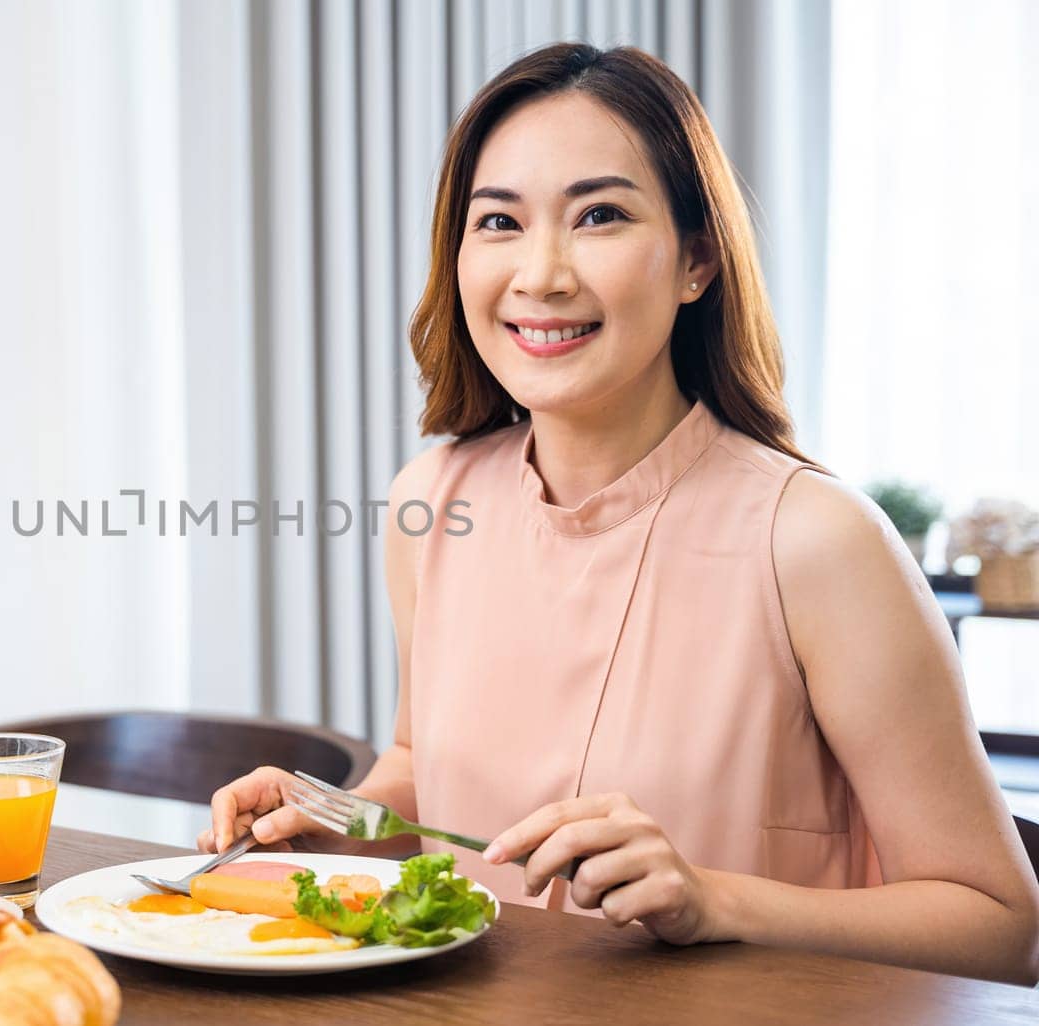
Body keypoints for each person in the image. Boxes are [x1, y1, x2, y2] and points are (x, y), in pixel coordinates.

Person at [199, 42, 1039, 985]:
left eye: (599, 216)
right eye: (500, 222)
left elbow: (1001, 927)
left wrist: (712, 900)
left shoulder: (816, 539)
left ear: (696, 262)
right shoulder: (429, 501)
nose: (543, 274)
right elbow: (416, 773)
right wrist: (336, 818)